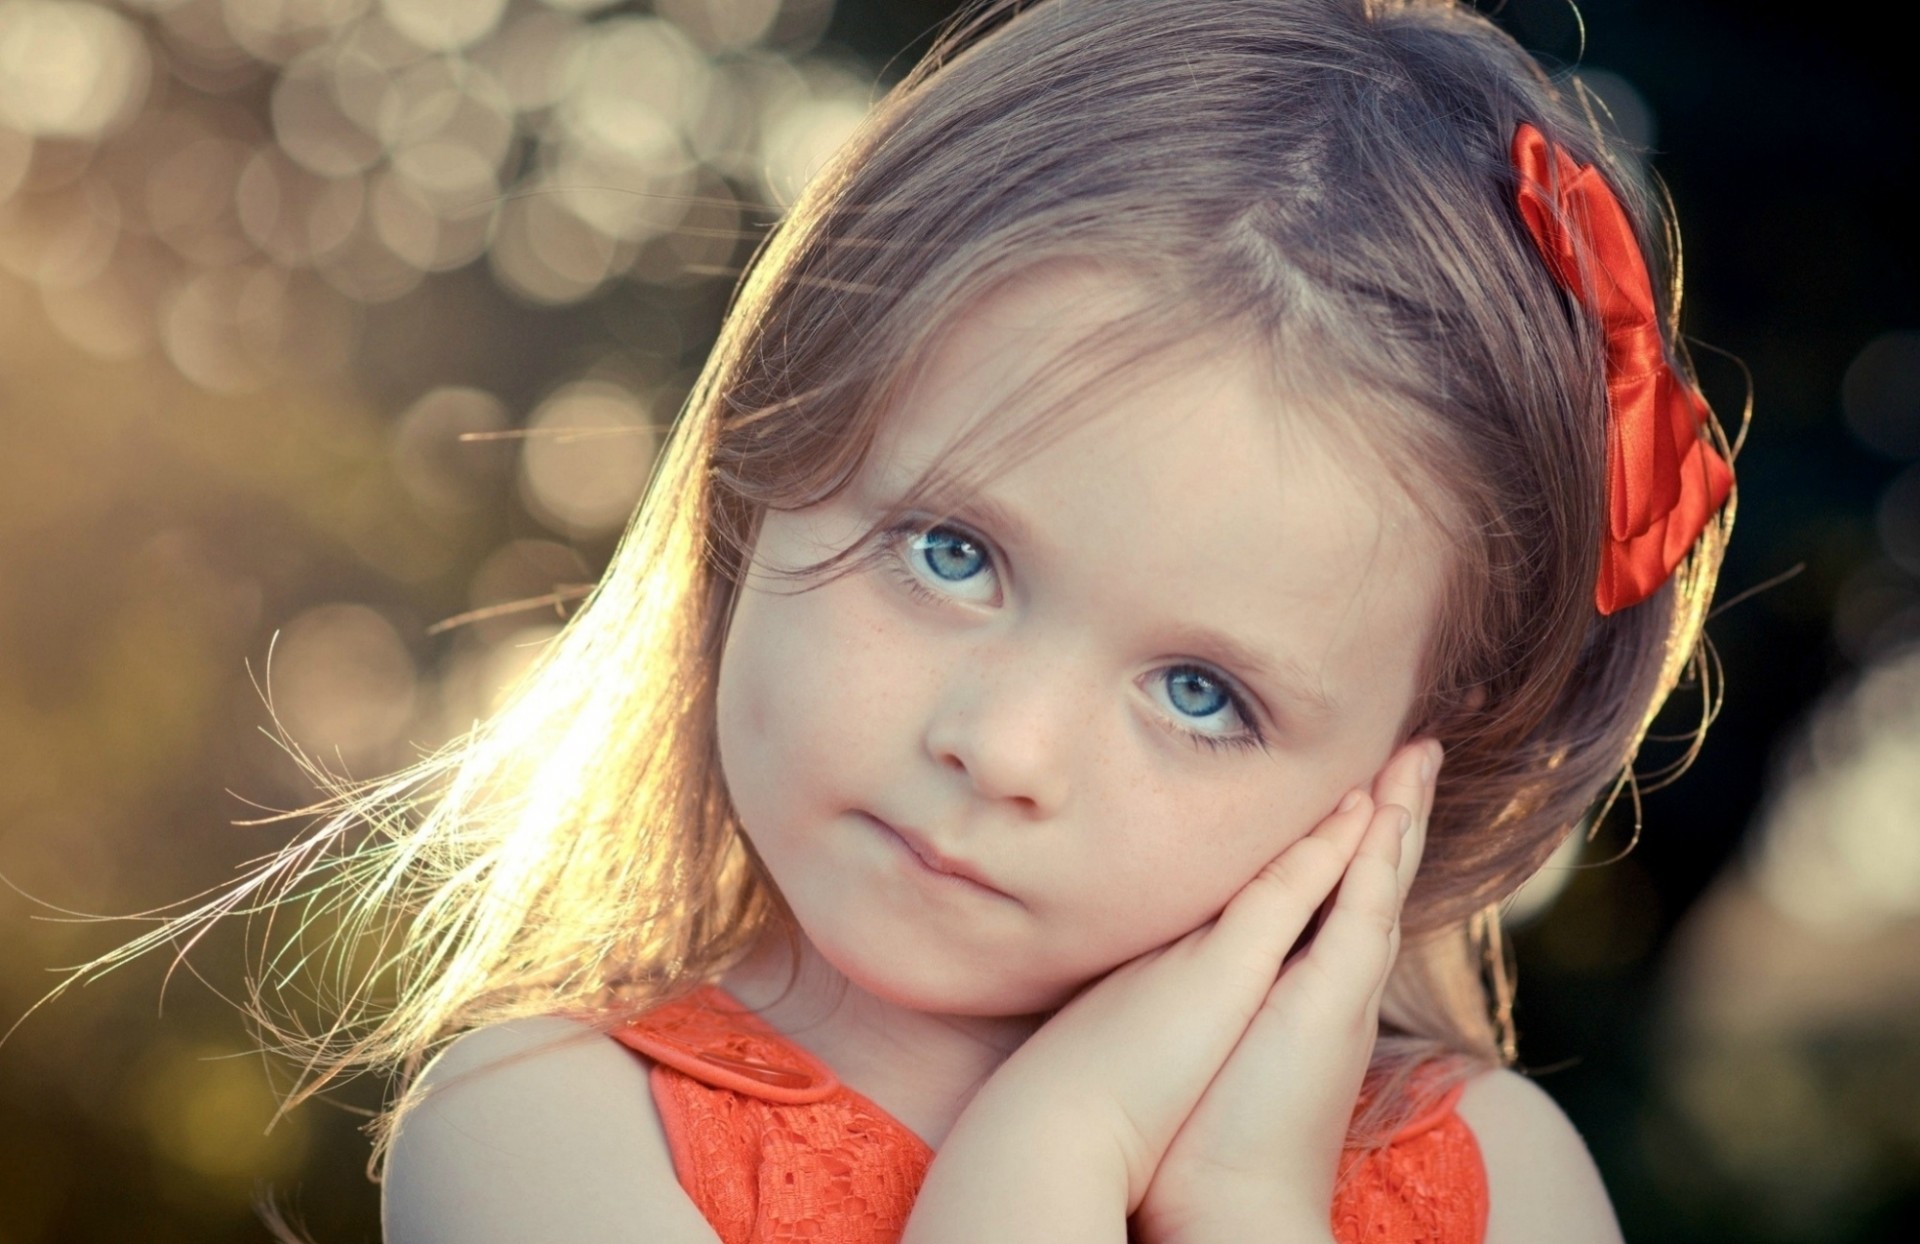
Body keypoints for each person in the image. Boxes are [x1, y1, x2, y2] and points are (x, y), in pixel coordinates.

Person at [157, 1, 1739, 1239]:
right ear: (765, 456)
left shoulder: (1493, 1181)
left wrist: (1247, 1211)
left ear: (1402, 792)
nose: (1000, 748)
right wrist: (1053, 1158)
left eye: (1200, 692)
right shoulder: (543, 1133)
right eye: (954, 553)